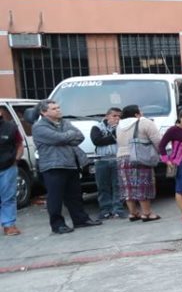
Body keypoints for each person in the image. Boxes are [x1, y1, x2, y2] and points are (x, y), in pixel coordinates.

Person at [32, 100, 102, 234]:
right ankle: (58, 225)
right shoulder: (39, 127)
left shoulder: (65, 122)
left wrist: (64, 137)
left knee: (75, 195)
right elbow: (57, 138)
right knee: (55, 197)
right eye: (54, 108)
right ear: (44, 112)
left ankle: (80, 220)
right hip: (53, 166)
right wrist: (67, 136)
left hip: (70, 164)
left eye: (58, 107)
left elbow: (80, 137)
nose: (58, 110)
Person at [116, 104, 163, 222]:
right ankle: (147, 213)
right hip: (139, 157)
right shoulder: (144, 122)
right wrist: (162, 154)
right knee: (143, 185)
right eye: (140, 112)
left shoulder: (119, 126)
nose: (142, 114)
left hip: (122, 158)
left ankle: (133, 213)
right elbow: (157, 140)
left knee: (128, 186)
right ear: (136, 114)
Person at [89, 106, 124, 219]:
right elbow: (97, 141)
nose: (117, 118)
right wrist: (113, 136)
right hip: (102, 160)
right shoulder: (97, 127)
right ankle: (105, 209)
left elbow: (121, 139)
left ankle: (118, 209)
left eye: (119, 116)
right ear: (107, 116)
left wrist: (114, 131)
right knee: (103, 186)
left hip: (117, 159)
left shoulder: (122, 128)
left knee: (118, 185)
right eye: (114, 116)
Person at [0, 110, 24, 235]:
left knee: (8, 197)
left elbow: (20, 144)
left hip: (7, 167)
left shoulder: (11, 127)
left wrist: (16, 159)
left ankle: (9, 225)